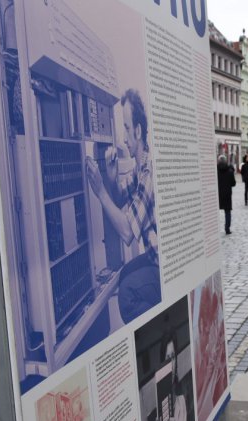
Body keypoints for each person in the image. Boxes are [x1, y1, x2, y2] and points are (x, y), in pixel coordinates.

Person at [86, 89, 160, 322]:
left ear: (138, 131)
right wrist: (110, 177)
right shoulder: (140, 168)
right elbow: (121, 199)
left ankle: (154, 330)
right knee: (125, 273)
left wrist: (99, 191)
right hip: (153, 256)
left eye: (127, 128)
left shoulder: (149, 173)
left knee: (128, 291)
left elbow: (127, 232)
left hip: (162, 263)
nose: (124, 136)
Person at [160, 329, 188, 421]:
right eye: (167, 359)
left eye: (173, 357)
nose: (171, 364)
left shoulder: (180, 401)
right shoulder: (156, 404)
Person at [217, 155, 236, 235]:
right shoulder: (230, 171)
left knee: (213, 211)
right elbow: (233, 183)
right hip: (227, 194)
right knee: (227, 211)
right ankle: (227, 228)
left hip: (217, 194)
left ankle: (213, 228)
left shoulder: (215, 171)